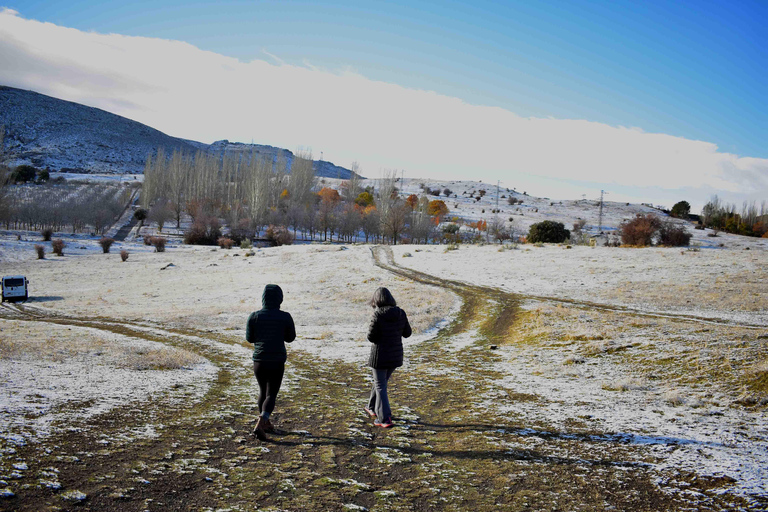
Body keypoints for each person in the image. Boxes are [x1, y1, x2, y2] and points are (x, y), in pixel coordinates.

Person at [246, 284, 296, 440]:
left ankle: (265, 423)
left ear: (263, 298)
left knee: (263, 391)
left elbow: (250, 338)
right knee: (271, 394)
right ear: (280, 299)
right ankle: (261, 421)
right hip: (277, 360)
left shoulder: (254, 316)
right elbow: (290, 338)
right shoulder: (285, 316)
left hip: (259, 361)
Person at [365, 287, 411, 428]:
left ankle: (384, 419)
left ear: (376, 300)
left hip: (379, 357)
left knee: (380, 386)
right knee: (380, 384)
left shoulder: (377, 314)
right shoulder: (401, 313)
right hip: (395, 357)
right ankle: (371, 407)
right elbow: (407, 333)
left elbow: (371, 337)